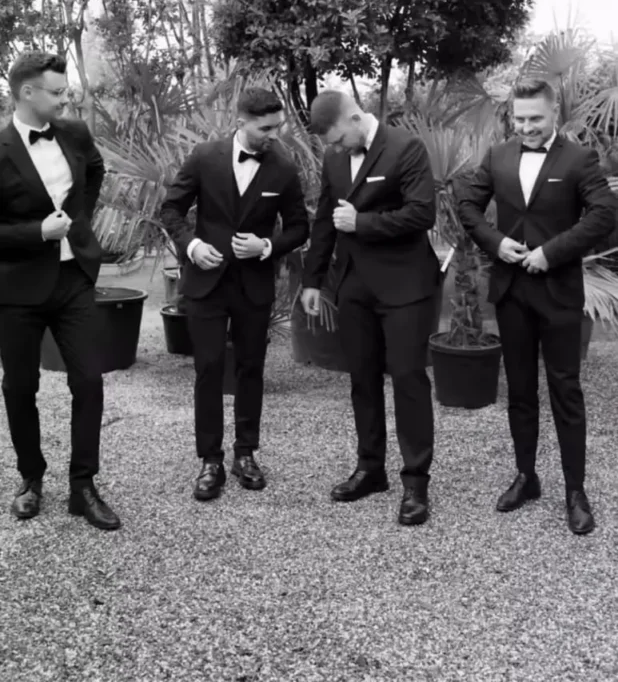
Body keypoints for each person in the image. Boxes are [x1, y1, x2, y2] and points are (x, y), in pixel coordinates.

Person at [457, 77, 615, 535]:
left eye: (535, 119)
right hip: (512, 292)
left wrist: (552, 252)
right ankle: (526, 477)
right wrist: (495, 242)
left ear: (555, 114)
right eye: (519, 118)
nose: (525, 127)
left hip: (559, 291)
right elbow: (467, 205)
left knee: (566, 390)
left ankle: (575, 491)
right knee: (521, 391)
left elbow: (604, 214)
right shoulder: (498, 155)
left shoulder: (580, 159)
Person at [160, 87, 309, 501]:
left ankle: (246, 454)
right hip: (206, 284)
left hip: (253, 285)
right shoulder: (204, 156)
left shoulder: (283, 168)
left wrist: (266, 246)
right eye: (265, 129)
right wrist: (192, 246)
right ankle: (210, 460)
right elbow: (171, 209)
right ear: (241, 122)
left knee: (250, 369)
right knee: (208, 369)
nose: (273, 135)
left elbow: (299, 227)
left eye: (277, 127)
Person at [301, 91, 440, 526]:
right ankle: (370, 468)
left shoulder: (406, 148)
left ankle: (415, 482)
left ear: (355, 118)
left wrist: (362, 223)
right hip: (354, 286)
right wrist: (312, 280)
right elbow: (325, 220)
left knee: (408, 380)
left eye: (340, 139)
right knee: (362, 380)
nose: (338, 149)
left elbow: (422, 214)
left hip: (405, 285)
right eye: (332, 145)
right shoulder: (334, 158)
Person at [0, 52, 120, 530]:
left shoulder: (74, 132)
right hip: (16, 288)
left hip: (73, 280)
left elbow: (95, 170)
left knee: (89, 381)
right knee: (19, 387)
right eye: (56, 92)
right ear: (27, 93)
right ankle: (31, 478)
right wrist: (38, 233)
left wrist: (78, 221)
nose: (65, 98)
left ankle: (83, 486)